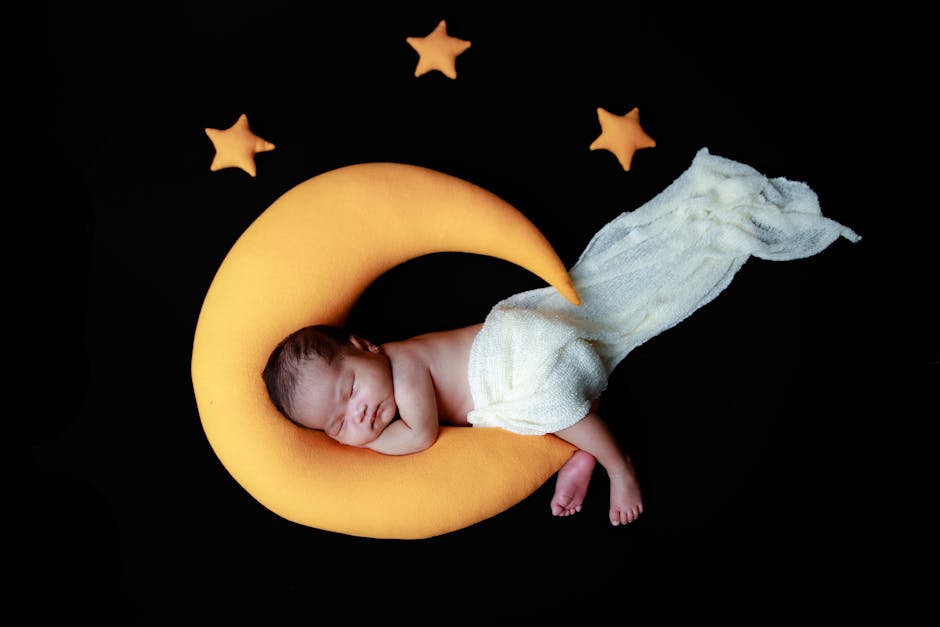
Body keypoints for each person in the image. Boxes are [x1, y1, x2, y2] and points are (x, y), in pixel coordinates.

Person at [262, 148, 860, 527]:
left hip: (513, 351)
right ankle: (580, 453)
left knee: (554, 404)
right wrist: (354, 435)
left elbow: (418, 435)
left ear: (365, 346)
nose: (358, 412)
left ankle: (616, 462)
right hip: (507, 381)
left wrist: (361, 446)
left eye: (347, 389)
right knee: (544, 412)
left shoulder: (405, 366)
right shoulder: (383, 377)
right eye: (337, 423)